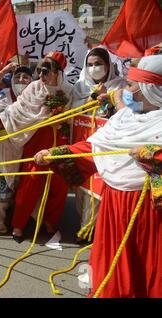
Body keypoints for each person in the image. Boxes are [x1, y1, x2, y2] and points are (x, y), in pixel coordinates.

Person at [34, 55, 162, 298]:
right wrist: (57, 154)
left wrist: (154, 156)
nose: (127, 90)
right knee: (111, 263)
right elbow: (94, 149)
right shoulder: (124, 119)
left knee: (147, 267)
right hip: (114, 203)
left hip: (149, 212)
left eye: (133, 85)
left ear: (151, 90)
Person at [0, 51, 73, 242]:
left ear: (58, 72)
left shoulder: (68, 91)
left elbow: (74, 116)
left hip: (59, 141)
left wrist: (62, 120)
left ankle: (50, 221)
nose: (41, 75)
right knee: (30, 181)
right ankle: (18, 224)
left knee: (60, 183)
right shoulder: (33, 88)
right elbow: (18, 110)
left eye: (46, 71)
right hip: (36, 139)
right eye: (39, 70)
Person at [72, 47, 127, 243]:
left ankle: (88, 230)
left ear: (108, 65)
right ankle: (85, 222)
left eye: (99, 64)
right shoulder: (79, 87)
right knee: (82, 186)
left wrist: (110, 98)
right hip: (83, 140)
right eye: (90, 64)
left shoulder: (120, 86)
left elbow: (126, 113)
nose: (94, 68)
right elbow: (73, 112)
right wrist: (91, 98)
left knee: (98, 187)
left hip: (107, 144)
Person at [0, 64, 34, 233]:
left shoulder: (37, 98)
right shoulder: (1, 96)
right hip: (1, 149)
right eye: (17, 77)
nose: (21, 80)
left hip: (26, 149)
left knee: (20, 186)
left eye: (25, 77)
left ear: (32, 81)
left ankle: (15, 214)